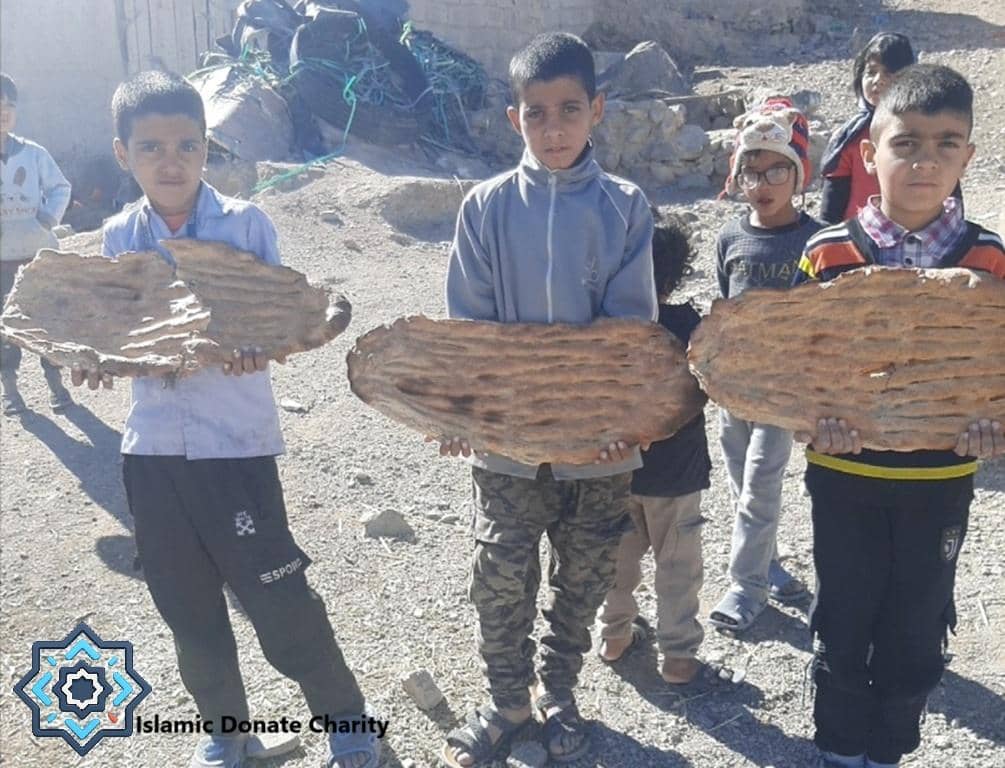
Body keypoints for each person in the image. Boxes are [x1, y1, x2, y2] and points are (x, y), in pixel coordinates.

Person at [80, 71, 379, 768]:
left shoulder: (246, 225)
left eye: (186, 145)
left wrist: (256, 346)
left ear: (206, 147)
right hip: (152, 451)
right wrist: (93, 359)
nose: (171, 162)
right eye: (151, 147)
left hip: (234, 446)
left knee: (278, 596)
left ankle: (346, 721)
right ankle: (226, 731)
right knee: (186, 607)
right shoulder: (118, 236)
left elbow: (277, 318)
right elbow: (115, 331)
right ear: (123, 154)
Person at [439, 32, 657, 767]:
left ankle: (559, 691)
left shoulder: (625, 207)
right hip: (507, 450)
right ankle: (507, 700)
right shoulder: (485, 207)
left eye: (569, 109)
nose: (553, 128)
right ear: (515, 119)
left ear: (597, 109)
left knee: (583, 578)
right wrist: (463, 413)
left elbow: (630, 336)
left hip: (598, 453)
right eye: (536, 113)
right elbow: (469, 332)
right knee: (499, 578)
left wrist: (622, 423)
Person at [793, 64, 1005, 768]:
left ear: (967, 157)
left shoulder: (988, 262)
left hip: (938, 480)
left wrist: (991, 426)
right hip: (843, 473)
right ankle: (838, 745)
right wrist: (809, 417)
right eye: (906, 142)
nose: (925, 161)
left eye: (946, 144)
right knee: (843, 615)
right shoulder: (827, 254)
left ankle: (890, 748)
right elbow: (789, 362)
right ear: (868, 153)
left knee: (917, 623)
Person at [709, 97, 822, 633]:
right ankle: (770, 563)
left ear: (799, 175)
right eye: (751, 172)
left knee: (759, 485)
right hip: (733, 389)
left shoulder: (816, 239)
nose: (763, 183)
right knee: (740, 483)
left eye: (778, 170)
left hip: (782, 391)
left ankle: (746, 585)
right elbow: (723, 307)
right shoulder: (730, 237)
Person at [595, 210, 712, 685]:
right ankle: (678, 654)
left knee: (617, 559)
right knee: (678, 563)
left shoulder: (607, 328)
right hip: (678, 473)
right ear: (674, 275)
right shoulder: (690, 326)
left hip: (617, 468)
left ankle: (614, 634)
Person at [1, 71, 73, 415]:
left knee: (47, 323)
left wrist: (45, 219)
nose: (3, 112)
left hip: (38, 256)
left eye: (9, 105)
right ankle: (10, 391)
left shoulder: (33, 154)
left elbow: (60, 187)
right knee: (5, 327)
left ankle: (56, 386)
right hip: (1, 261)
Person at [819, 32, 915, 224]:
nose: (878, 80)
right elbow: (833, 202)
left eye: (889, 74)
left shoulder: (922, 132)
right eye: (871, 72)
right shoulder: (851, 136)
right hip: (859, 234)